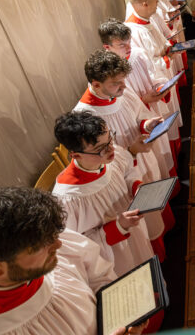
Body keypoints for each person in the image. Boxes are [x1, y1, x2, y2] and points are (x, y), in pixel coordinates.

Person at [0, 187, 144, 335]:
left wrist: (122, 314)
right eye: (43, 245)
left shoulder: (43, 242)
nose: (58, 244)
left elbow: (97, 274)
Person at [73, 50, 171, 260]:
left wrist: (147, 124)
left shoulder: (120, 91)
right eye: (116, 83)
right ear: (96, 84)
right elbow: (99, 158)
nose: (124, 87)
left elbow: (138, 114)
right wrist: (130, 152)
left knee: (153, 210)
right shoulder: (83, 116)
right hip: (121, 175)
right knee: (141, 234)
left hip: (140, 158)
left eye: (123, 81)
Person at [52, 112, 155, 278]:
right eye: (100, 148)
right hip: (114, 254)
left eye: (110, 139)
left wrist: (135, 186)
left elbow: (127, 172)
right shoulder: (67, 199)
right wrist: (118, 227)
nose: (111, 149)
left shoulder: (110, 157)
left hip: (133, 230)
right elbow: (76, 248)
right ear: (76, 155)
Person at [99, 19, 179, 171]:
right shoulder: (105, 74)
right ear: (107, 47)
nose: (129, 47)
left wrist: (160, 86)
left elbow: (154, 75)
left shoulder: (138, 54)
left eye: (129, 41)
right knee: (148, 162)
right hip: (132, 125)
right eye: (122, 45)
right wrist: (143, 100)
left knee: (160, 152)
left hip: (151, 110)